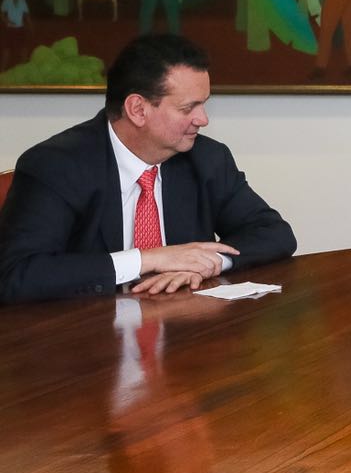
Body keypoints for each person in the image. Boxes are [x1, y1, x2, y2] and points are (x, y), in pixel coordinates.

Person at [0, 34, 297, 305]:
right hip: (83, 344)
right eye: (188, 108)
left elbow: (275, 233)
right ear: (138, 110)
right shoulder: (57, 165)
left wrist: (210, 261)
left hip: (182, 338)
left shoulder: (208, 159)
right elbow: (18, 274)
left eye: (204, 104)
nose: (203, 119)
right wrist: (146, 260)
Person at [1, 0, 30, 70]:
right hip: (10, 29)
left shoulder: (22, 0)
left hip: (21, 28)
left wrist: (30, 25)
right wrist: (6, 21)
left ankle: (23, 71)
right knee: (7, 51)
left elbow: (26, 14)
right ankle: (2, 72)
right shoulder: (6, 1)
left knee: (24, 50)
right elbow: (1, 13)